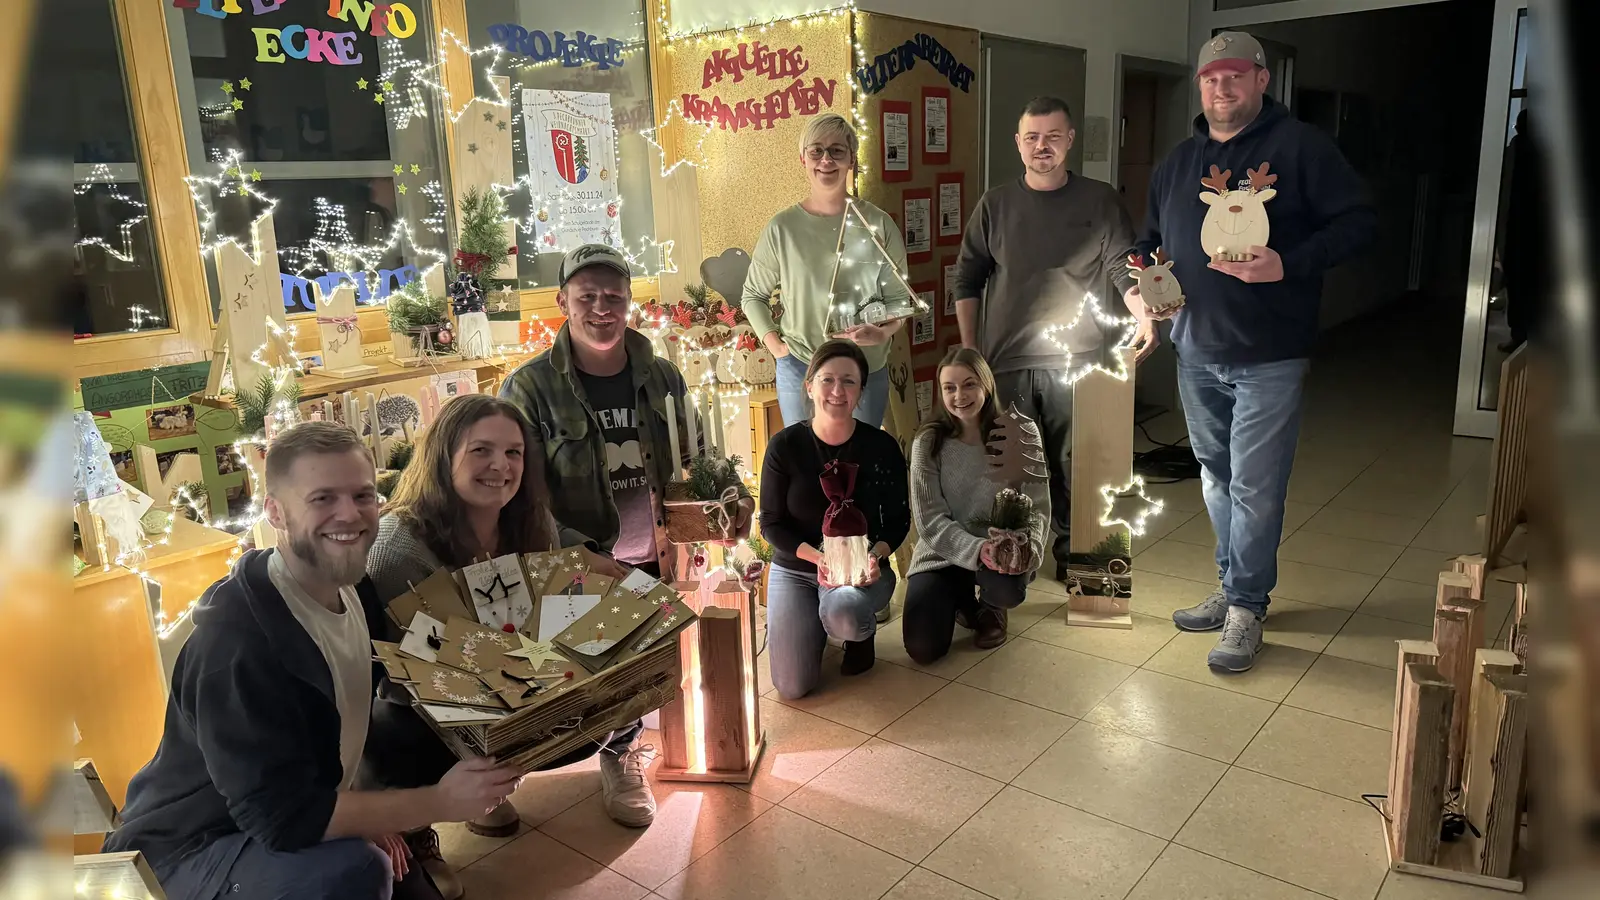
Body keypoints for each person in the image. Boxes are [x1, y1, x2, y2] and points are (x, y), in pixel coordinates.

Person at [104, 422, 523, 900]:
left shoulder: (355, 587)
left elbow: (364, 713)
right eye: (322, 498)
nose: (349, 515)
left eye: (363, 496)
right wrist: (437, 802)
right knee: (355, 870)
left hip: (292, 811)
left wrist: (364, 810)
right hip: (188, 852)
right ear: (276, 513)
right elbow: (282, 820)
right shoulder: (238, 646)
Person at [1135, 31, 1376, 672]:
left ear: (1261, 80)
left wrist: (1289, 264)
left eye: (1235, 76)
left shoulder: (1302, 149)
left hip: (1270, 354)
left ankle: (1246, 606)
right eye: (1211, 78)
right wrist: (1146, 288)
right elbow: (1149, 244)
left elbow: (1358, 223)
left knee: (1256, 488)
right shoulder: (1177, 164)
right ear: (1201, 86)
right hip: (1194, 350)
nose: (1223, 88)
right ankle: (1231, 583)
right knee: (1216, 480)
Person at [364, 395, 657, 896]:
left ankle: (610, 753)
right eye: (481, 450)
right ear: (443, 455)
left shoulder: (525, 520)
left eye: (514, 453)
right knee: (403, 734)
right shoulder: (399, 549)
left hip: (512, 683)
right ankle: (420, 828)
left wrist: (598, 582)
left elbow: (550, 601)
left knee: (619, 647)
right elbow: (444, 669)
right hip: (426, 704)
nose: (501, 466)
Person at [953, 96, 1141, 577]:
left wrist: (1145, 316)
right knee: (1011, 469)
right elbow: (967, 278)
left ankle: (1080, 562)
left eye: (1053, 136)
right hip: (1006, 363)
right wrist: (971, 350)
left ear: (1070, 140)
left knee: (1077, 467)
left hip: (1077, 363)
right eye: (1033, 137)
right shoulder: (995, 205)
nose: (1043, 146)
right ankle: (1014, 557)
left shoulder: (1100, 201)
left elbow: (1124, 268)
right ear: (1018, 144)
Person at [500, 243, 753, 581]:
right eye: (586, 296)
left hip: (660, 567)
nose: (601, 308)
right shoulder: (528, 388)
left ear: (629, 302)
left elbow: (700, 451)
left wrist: (734, 492)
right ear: (563, 302)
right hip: (575, 577)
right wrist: (581, 556)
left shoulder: (663, 376)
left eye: (614, 296)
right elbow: (517, 497)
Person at [758, 340, 910, 698]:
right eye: (827, 380)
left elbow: (899, 519)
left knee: (846, 614)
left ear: (860, 391)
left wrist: (877, 556)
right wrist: (818, 558)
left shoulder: (881, 448)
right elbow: (770, 524)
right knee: (793, 687)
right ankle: (810, 620)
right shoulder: (784, 447)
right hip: (797, 568)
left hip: (859, 570)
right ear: (809, 386)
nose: (837, 391)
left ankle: (856, 634)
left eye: (849, 382)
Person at [742, 112, 912, 430]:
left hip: (864, 369)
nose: (826, 160)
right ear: (802, 160)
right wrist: (776, 347)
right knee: (804, 468)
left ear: (851, 160)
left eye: (837, 150)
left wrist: (884, 332)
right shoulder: (783, 228)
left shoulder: (878, 225)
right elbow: (753, 296)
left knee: (859, 467)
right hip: (800, 368)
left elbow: (901, 301)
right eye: (816, 150)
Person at [902, 349, 1049, 662]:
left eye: (969, 385)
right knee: (923, 649)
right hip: (942, 553)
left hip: (1003, 552)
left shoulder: (1021, 432)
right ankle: (962, 601)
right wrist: (975, 550)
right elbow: (929, 521)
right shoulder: (928, 442)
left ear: (987, 384)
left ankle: (991, 606)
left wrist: (1028, 551)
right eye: (949, 388)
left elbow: (1038, 506)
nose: (959, 396)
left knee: (1007, 590)